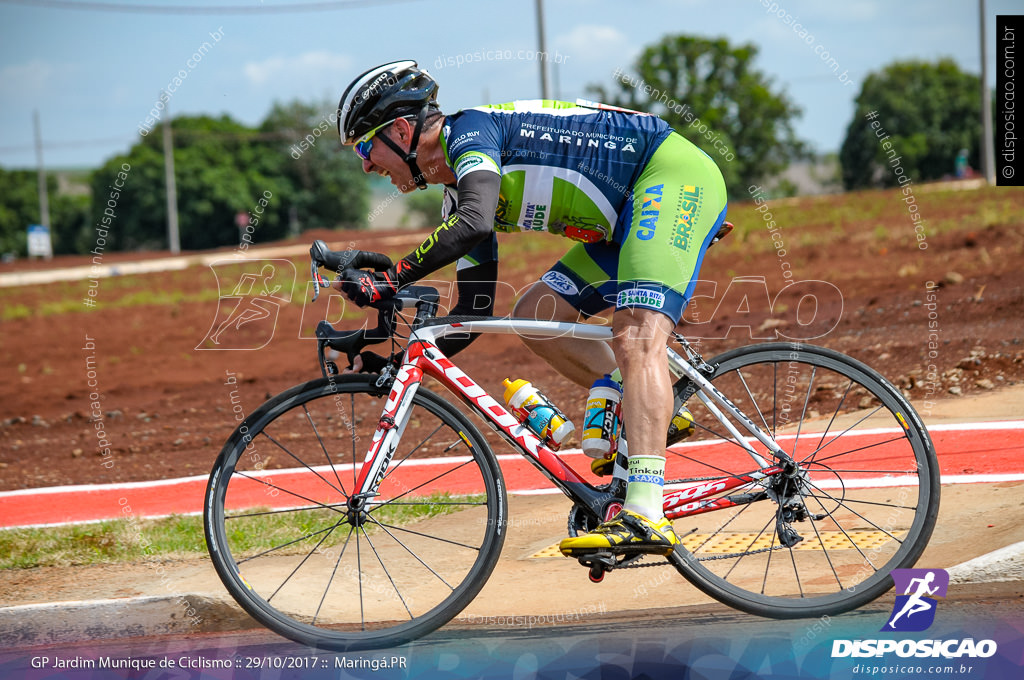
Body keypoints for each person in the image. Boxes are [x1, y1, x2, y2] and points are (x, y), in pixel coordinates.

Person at [333, 60, 728, 557]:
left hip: (668, 178)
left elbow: (476, 223)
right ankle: (652, 412)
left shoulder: (470, 135)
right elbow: (476, 305)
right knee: (537, 313)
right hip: (624, 217)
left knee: (635, 336)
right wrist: (400, 362)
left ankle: (646, 514)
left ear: (401, 130)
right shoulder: (459, 191)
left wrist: (392, 278)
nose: (366, 165)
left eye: (365, 149)